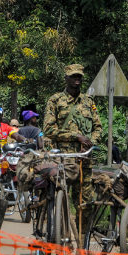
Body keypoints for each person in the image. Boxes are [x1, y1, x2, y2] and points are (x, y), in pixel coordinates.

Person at [44, 64, 102, 233]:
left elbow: (98, 127)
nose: (77, 79)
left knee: (85, 204)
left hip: (84, 160)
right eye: (73, 76)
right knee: (60, 199)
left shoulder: (88, 102)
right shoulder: (55, 100)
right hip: (63, 160)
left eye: (80, 76)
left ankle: (82, 243)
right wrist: (75, 136)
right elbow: (48, 130)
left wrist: (90, 141)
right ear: (66, 78)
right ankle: (59, 235)